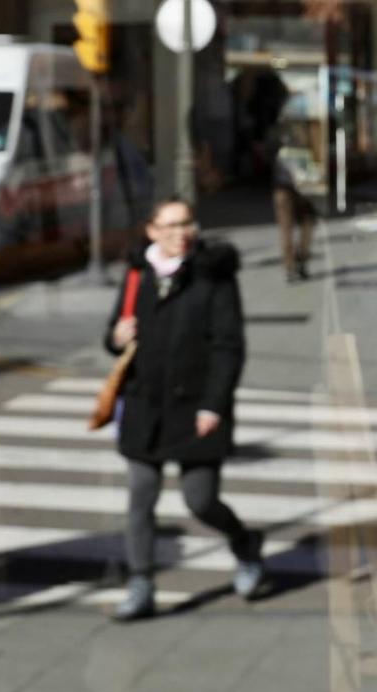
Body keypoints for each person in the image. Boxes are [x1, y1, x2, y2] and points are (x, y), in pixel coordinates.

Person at [105, 197, 266, 620]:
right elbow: (115, 332)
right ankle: (141, 583)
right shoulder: (138, 272)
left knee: (200, 500)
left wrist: (214, 405)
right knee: (141, 496)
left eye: (187, 224)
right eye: (171, 226)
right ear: (152, 231)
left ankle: (245, 543)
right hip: (144, 404)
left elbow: (229, 347)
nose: (182, 233)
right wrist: (116, 337)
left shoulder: (214, 274)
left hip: (196, 406)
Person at [271, 130, 318, 283]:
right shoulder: (304, 153)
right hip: (300, 191)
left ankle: (290, 268)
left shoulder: (281, 153)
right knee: (307, 225)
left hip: (283, 191)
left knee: (286, 229)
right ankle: (301, 262)